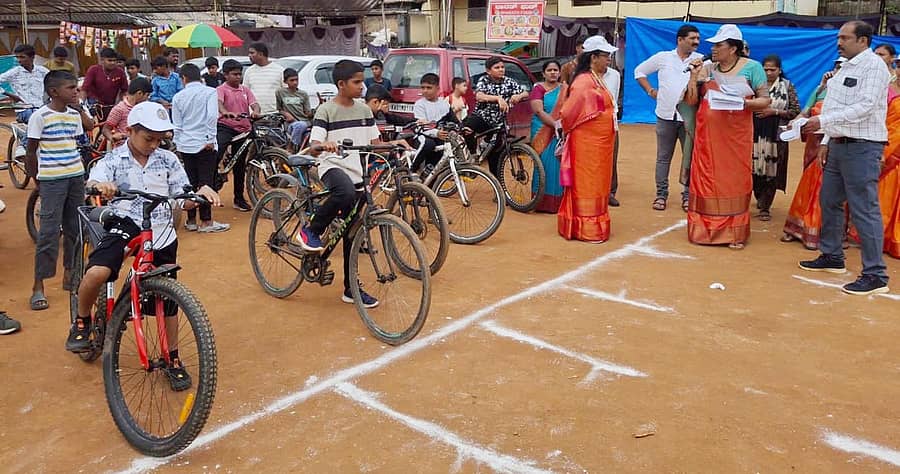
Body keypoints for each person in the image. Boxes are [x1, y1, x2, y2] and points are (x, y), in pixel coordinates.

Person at [71, 101, 222, 391]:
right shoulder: (115, 159)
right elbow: (96, 178)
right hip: (124, 222)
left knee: (168, 304)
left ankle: (172, 359)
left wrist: (199, 193)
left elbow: (181, 196)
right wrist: (102, 186)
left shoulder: (168, 160)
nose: (154, 145)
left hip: (161, 230)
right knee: (98, 273)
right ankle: (81, 322)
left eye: (159, 140)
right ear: (130, 131)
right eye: (148, 138)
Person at [798, 21, 891, 295]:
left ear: (863, 41)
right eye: (839, 37)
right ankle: (833, 256)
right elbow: (837, 105)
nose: (839, 42)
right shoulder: (843, 67)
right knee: (829, 200)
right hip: (838, 144)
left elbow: (865, 106)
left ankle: (875, 275)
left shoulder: (874, 67)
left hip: (863, 146)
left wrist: (822, 121)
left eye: (845, 38)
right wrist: (827, 138)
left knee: (864, 208)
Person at [296, 60, 382, 308]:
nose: (362, 86)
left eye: (362, 81)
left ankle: (350, 288)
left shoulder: (365, 110)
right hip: (332, 166)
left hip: (358, 171)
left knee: (352, 231)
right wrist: (324, 145)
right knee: (343, 193)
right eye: (357, 82)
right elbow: (313, 147)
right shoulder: (326, 111)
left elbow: (375, 142)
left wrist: (395, 145)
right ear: (341, 84)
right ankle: (311, 230)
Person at [684, 24, 771, 250]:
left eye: (719, 45)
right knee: (707, 180)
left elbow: (765, 100)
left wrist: (744, 102)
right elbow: (692, 101)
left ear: (733, 48)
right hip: (707, 139)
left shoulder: (752, 68)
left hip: (735, 138)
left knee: (732, 181)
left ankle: (733, 233)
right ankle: (703, 230)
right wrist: (694, 77)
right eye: (713, 45)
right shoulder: (707, 68)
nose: (713, 49)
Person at [25, 71, 94, 311]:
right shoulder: (40, 116)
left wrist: (79, 107)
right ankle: (38, 285)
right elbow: (31, 151)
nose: (75, 91)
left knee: (75, 229)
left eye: (76, 87)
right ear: (54, 92)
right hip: (52, 180)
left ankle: (70, 274)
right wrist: (37, 181)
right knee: (49, 233)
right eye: (70, 88)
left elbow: (89, 126)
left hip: (75, 176)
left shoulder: (74, 114)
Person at [634, 24, 704, 212]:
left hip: (689, 118)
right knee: (663, 158)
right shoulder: (663, 57)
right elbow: (639, 72)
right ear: (680, 40)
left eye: (698, 38)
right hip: (665, 115)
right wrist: (650, 91)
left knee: (690, 158)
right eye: (692, 38)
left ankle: (688, 196)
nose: (696, 42)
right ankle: (661, 195)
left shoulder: (702, 60)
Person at [557, 36, 618, 243]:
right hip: (587, 145)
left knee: (599, 181)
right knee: (587, 182)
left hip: (601, 144)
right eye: (606, 56)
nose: (609, 60)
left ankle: (595, 223)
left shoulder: (596, 78)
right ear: (594, 57)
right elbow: (567, 113)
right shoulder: (583, 82)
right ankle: (586, 227)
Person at [782, 58, 846, 249]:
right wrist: (795, 123)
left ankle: (824, 233)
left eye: (842, 67)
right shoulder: (820, 90)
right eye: (836, 66)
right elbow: (805, 112)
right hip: (813, 144)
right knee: (808, 185)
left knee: (828, 188)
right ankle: (798, 228)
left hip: (834, 144)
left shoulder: (850, 93)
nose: (838, 70)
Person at [172, 64, 229, 233]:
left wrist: (178, 142)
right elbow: (212, 116)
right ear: (200, 77)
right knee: (206, 182)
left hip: (186, 144)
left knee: (189, 181)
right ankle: (206, 221)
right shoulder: (210, 92)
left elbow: (177, 124)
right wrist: (211, 138)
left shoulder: (178, 97)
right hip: (205, 143)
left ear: (184, 79)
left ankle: (190, 220)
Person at [751, 54, 800, 221]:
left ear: (780, 70)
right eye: (765, 69)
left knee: (772, 170)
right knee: (754, 168)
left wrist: (774, 111)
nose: (769, 72)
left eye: (773, 69)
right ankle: (759, 197)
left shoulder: (787, 86)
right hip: (755, 133)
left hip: (776, 135)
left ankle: (765, 206)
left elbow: (795, 110)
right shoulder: (754, 85)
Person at [463, 56, 529, 176]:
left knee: (495, 156)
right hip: (482, 117)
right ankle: (473, 154)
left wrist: (518, 96)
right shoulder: (484, 80)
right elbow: (479, 96)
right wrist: (497, 98)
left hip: (499, 122)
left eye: (502, 67)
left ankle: (498, 188)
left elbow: (525, 92)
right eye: (497, 67)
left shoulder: (509, 81)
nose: (501, 69)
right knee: (466, 129)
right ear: (488, 70)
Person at [217, 59, 260, 212]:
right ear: (225, 75)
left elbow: (255, 104)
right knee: (218, 149)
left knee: (240, 166)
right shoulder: (221, 90)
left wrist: (256, 111)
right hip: (226, 126)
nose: (238, 77)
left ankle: (239, 198)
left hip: (244, 129)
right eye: (234, 74)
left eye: (239, 74)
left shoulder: (245, 90)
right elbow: (219, 104)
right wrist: (225, 113)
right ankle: (215, 175)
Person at [529, 60, 566, 213]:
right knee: (542, 165)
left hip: (561, 131)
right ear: (543, 73)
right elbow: (538, 110)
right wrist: (555, 125)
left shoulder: (564, 89)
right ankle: (540, 203)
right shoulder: (538, 88)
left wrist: (562, 126)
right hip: (542, 131)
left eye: (555, 70)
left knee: (558, 166)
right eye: (549, 70)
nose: (553, 73)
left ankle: (557, 203)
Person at [876, 55, 900, 259]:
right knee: (887, 196)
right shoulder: (888, 90)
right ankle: (885, 239)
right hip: (890, 146)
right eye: (899, 65)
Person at [0, 44, 49, 124]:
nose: (19, 60)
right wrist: (9, 94)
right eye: (17, 57)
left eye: (22, 57)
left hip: (41, 107)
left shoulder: (43, 71)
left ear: (32, 57)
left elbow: (53, 84)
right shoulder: (14, 72)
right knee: (36, 120)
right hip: (24, 109)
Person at [413, 73, 452, 171]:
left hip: (440, 136)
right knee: (428, 144)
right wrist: (436, 133)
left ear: (438, 89)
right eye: (423, 87)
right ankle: (412, 169)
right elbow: (420, 126)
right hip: (422, 135)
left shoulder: (444, 104)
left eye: (429, 88)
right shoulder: (420, 104)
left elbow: (453, 119)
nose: (425, 91)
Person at [598, 50, 622, 207]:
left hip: (611, 123)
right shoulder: (586, 76)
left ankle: (610, 192)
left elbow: (614, 97)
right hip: (591, 125)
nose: (609, 59)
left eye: (610, 56)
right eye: (605, 56)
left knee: (612, 158)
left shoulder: (615, 75)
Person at [102, 77, 152, 147]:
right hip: (125, 147)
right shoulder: (120, 109)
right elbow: (105, 129)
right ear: (139, 93)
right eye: (147, 95)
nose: (148, 98)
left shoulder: (145, 107)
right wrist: (112, 137)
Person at [82, 48, 127, 120]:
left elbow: (124, 91)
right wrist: (82, 106)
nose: (113, 63)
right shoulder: (93, 70)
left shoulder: (120, 72)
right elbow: (84, 89)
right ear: (102, 60)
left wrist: (121, 104)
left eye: (114, 61)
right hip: (94, 107)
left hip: (111, 106)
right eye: (110, 60)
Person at [277, 68, 313, 153]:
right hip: (290, 124)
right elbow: (279, 109)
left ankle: (293, 146)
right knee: (298, 126)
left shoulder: (303, 94)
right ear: (285, 82)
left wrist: (318, 107)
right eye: (292, 80)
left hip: (304, 122)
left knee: (301, 125)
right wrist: (286, 114)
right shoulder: (280, 92)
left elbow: (308, 113)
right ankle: (291, 147)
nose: (295, 82)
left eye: (296, 80)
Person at [242, 42, 285, 115]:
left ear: (261, 54)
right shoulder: (249, 71)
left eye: (252, 53)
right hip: (255, 115)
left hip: (275, 114)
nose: (249, 55)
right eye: (249, 53)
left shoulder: (279, 70)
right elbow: (245, 92)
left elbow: (286, 92)